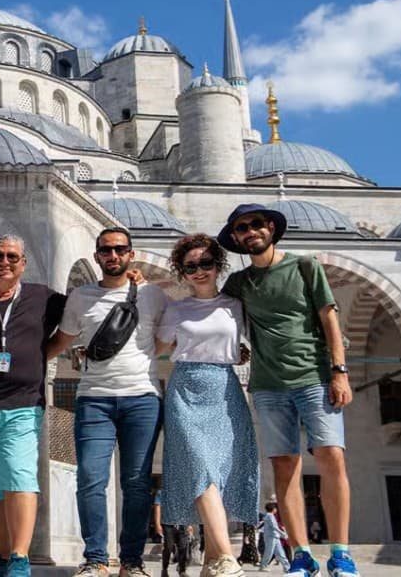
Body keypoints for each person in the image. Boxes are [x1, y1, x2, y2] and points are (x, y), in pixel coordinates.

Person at [217, 204, 358, 577]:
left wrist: (339, 372)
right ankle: (301, 555)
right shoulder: (239, 283)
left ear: (271, 229)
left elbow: (329, 317)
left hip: (314, 376)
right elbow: (216, 314)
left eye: (256, 225)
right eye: (242, 228)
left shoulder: (303, 266)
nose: (250, 232)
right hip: (268, 385)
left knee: (331, 457)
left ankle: (341, 553)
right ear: (235, 238)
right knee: (284, 465)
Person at [46, 227, 167, 577]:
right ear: (97, 255)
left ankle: (131, 561)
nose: (113, 256)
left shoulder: (153, 295)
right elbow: (60, 341)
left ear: (131, 253)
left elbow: (166, 339)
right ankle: (96, 559)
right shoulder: (81, 297)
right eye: (106, 250)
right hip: (94, 400)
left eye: (119, 249)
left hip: (142, 398)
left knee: (136, 482)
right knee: (91, 479)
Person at [0, 234, 66, 577]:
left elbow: (82, 314)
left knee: (19, 476)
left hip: (22, 404)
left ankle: (20, 559)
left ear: (23, 263)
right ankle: (1, 557)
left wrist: (42, 356)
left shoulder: (42, 297)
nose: (5, 262)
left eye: (12, 257)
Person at [154, 233, 259, 577]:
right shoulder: (176, 309)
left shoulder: (235, 305)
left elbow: (260, 338)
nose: (199, 271)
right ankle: (227, 557)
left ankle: (213, 562)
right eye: (190, 266)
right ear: (181, 272)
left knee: (222, 472)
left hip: (226, 390)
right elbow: (154, 347)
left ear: (218, 266)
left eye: (205, 264)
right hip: (186, 390)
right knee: (200, 468)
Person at [257, 504, 289, 573]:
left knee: (281, 553)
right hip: (270, 537)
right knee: (269, 552)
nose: (276, 510)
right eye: (275, 508)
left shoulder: (270, 516)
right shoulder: (269, 516)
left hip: (275, 537)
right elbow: (274, 527)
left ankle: (287, 567)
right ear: (273, 509)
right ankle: (263, 566)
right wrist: (283, 534)